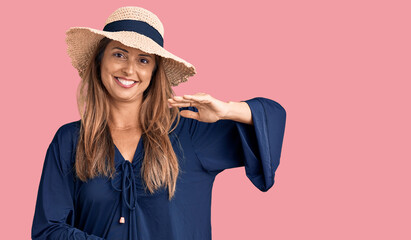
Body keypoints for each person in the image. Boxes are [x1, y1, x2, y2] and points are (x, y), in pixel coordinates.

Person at [31, 6, 287, 240]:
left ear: (154, 72)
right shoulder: (70, 140)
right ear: (100, 60)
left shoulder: (191, 129)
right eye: (119, 54)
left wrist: (226, 110)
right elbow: (48, 229)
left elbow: (272, 115)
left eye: (143, 60)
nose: (130, 70)